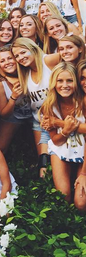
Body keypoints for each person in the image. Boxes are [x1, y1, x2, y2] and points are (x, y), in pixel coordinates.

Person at [11, 37, 60, 175]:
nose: (20, 57)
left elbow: (74, 52)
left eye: (23, 52)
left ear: (32, 48)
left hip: (60, 120)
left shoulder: (47, 60)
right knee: (44, 166)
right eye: (17, 56)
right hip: (40, 123)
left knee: (63, 160)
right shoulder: (24, 73)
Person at [40, 62, 86, 211]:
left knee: (81, 203)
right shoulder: (49, 106)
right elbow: (56, 141)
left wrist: (58, 122)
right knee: (63, 196)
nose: (64, 85)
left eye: (69, 80)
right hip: (62, 148)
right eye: (60, 81)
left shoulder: (83, 101)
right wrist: (65, 130)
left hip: (84, 150)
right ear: (54, 82)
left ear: (76, 82)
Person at [0, 46, 32, 154]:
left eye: (10, 58)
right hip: (14, 116)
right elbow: (4, 114)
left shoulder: (30, 73)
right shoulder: (0, 84)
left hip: (35, 114)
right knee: (0, 149)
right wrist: (13, 97)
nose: (7, 62)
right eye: (2, 61)